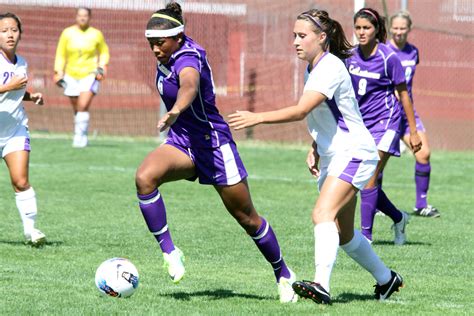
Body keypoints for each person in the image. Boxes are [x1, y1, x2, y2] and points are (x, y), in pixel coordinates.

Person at [229, 9, 403, 305]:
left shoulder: (330, 66)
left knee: (322, 214)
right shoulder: (314, 67)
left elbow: (301, 110)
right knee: (345, 235)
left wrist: (257, 117)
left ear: (322, 38)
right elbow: (327, 113)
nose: (296, 41)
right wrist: (315, 147)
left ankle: (321, 284)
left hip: (354, 152)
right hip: (336, 155)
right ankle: (387, 280)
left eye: (302, 35)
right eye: (294, 36)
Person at [135, 3, 297, 303]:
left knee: (247, 218)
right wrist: (175, 120)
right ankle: (170, 251)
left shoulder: (188, 56)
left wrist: (175, 110)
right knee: (145, 178)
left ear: (179, 37)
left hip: (213, 144)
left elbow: (190, 85)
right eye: (151, 44)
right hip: (183, 141)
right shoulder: (168, 55)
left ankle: (283, 273)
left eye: (160, 43)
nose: (155, 49)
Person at [345, 8, 422, 245]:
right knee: (362, 182)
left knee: (369, 177)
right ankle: (399, 218)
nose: (361, 32)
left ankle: (366, 237)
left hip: (387, 123)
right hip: (361, 125)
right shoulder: (349, 56)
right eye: (358, 27)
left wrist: (414, 131)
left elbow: (404, 94)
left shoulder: (389, 58)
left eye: (366, 27)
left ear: (377, 29)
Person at [0, 12, 46, 245]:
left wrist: (29, 96)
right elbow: (8, 87)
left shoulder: (22, 62)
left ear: (20, 34)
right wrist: (10, 86)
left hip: (15, 129)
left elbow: (13, 92)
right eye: (4, 30)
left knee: (20, 181)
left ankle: (31, 231)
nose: (9, 34)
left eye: (14, 30)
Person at [389, 11, 439, 217]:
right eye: (396, 28)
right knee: (377, 158)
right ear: (390, 28)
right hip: (385, 113)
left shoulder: (413, 52)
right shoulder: (384, 52)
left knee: (424, 153)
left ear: (409, 29)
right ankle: (374, 203)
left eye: (403, 28)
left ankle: (421, 205)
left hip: (408, 113)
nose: (399, 32)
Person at [54, 7, 109, 148]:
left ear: (90, 17)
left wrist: (102, 66)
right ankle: (79, 132)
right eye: (80, 15)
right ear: (76, 17)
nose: (82, 18)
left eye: (85, 16)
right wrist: (58, 71)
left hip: (90, 74)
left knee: (83, 105)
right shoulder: (67, 33)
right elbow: (60, 53)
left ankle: (80, 137)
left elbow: (104, 52)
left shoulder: (96, 34)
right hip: (71, 75)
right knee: (77, 108)